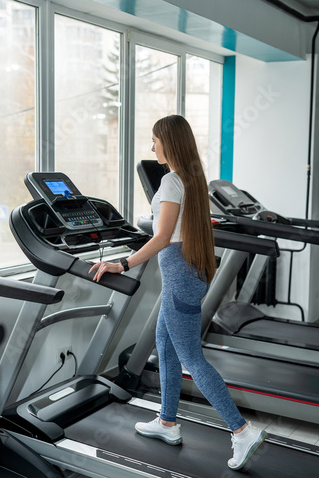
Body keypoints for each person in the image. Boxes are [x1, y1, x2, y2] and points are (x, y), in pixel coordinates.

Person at [89, 115, 267, 471]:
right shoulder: (192, 179)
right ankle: (167, 423)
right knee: (166, 348)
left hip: (179, 276)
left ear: (168, 142)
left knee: (191, 358)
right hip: (191, 271)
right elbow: (177, 229)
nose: (151, 146)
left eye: (154, 140)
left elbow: (160, 236)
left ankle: (241, 430)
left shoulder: (171, 181)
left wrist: (121, 264)